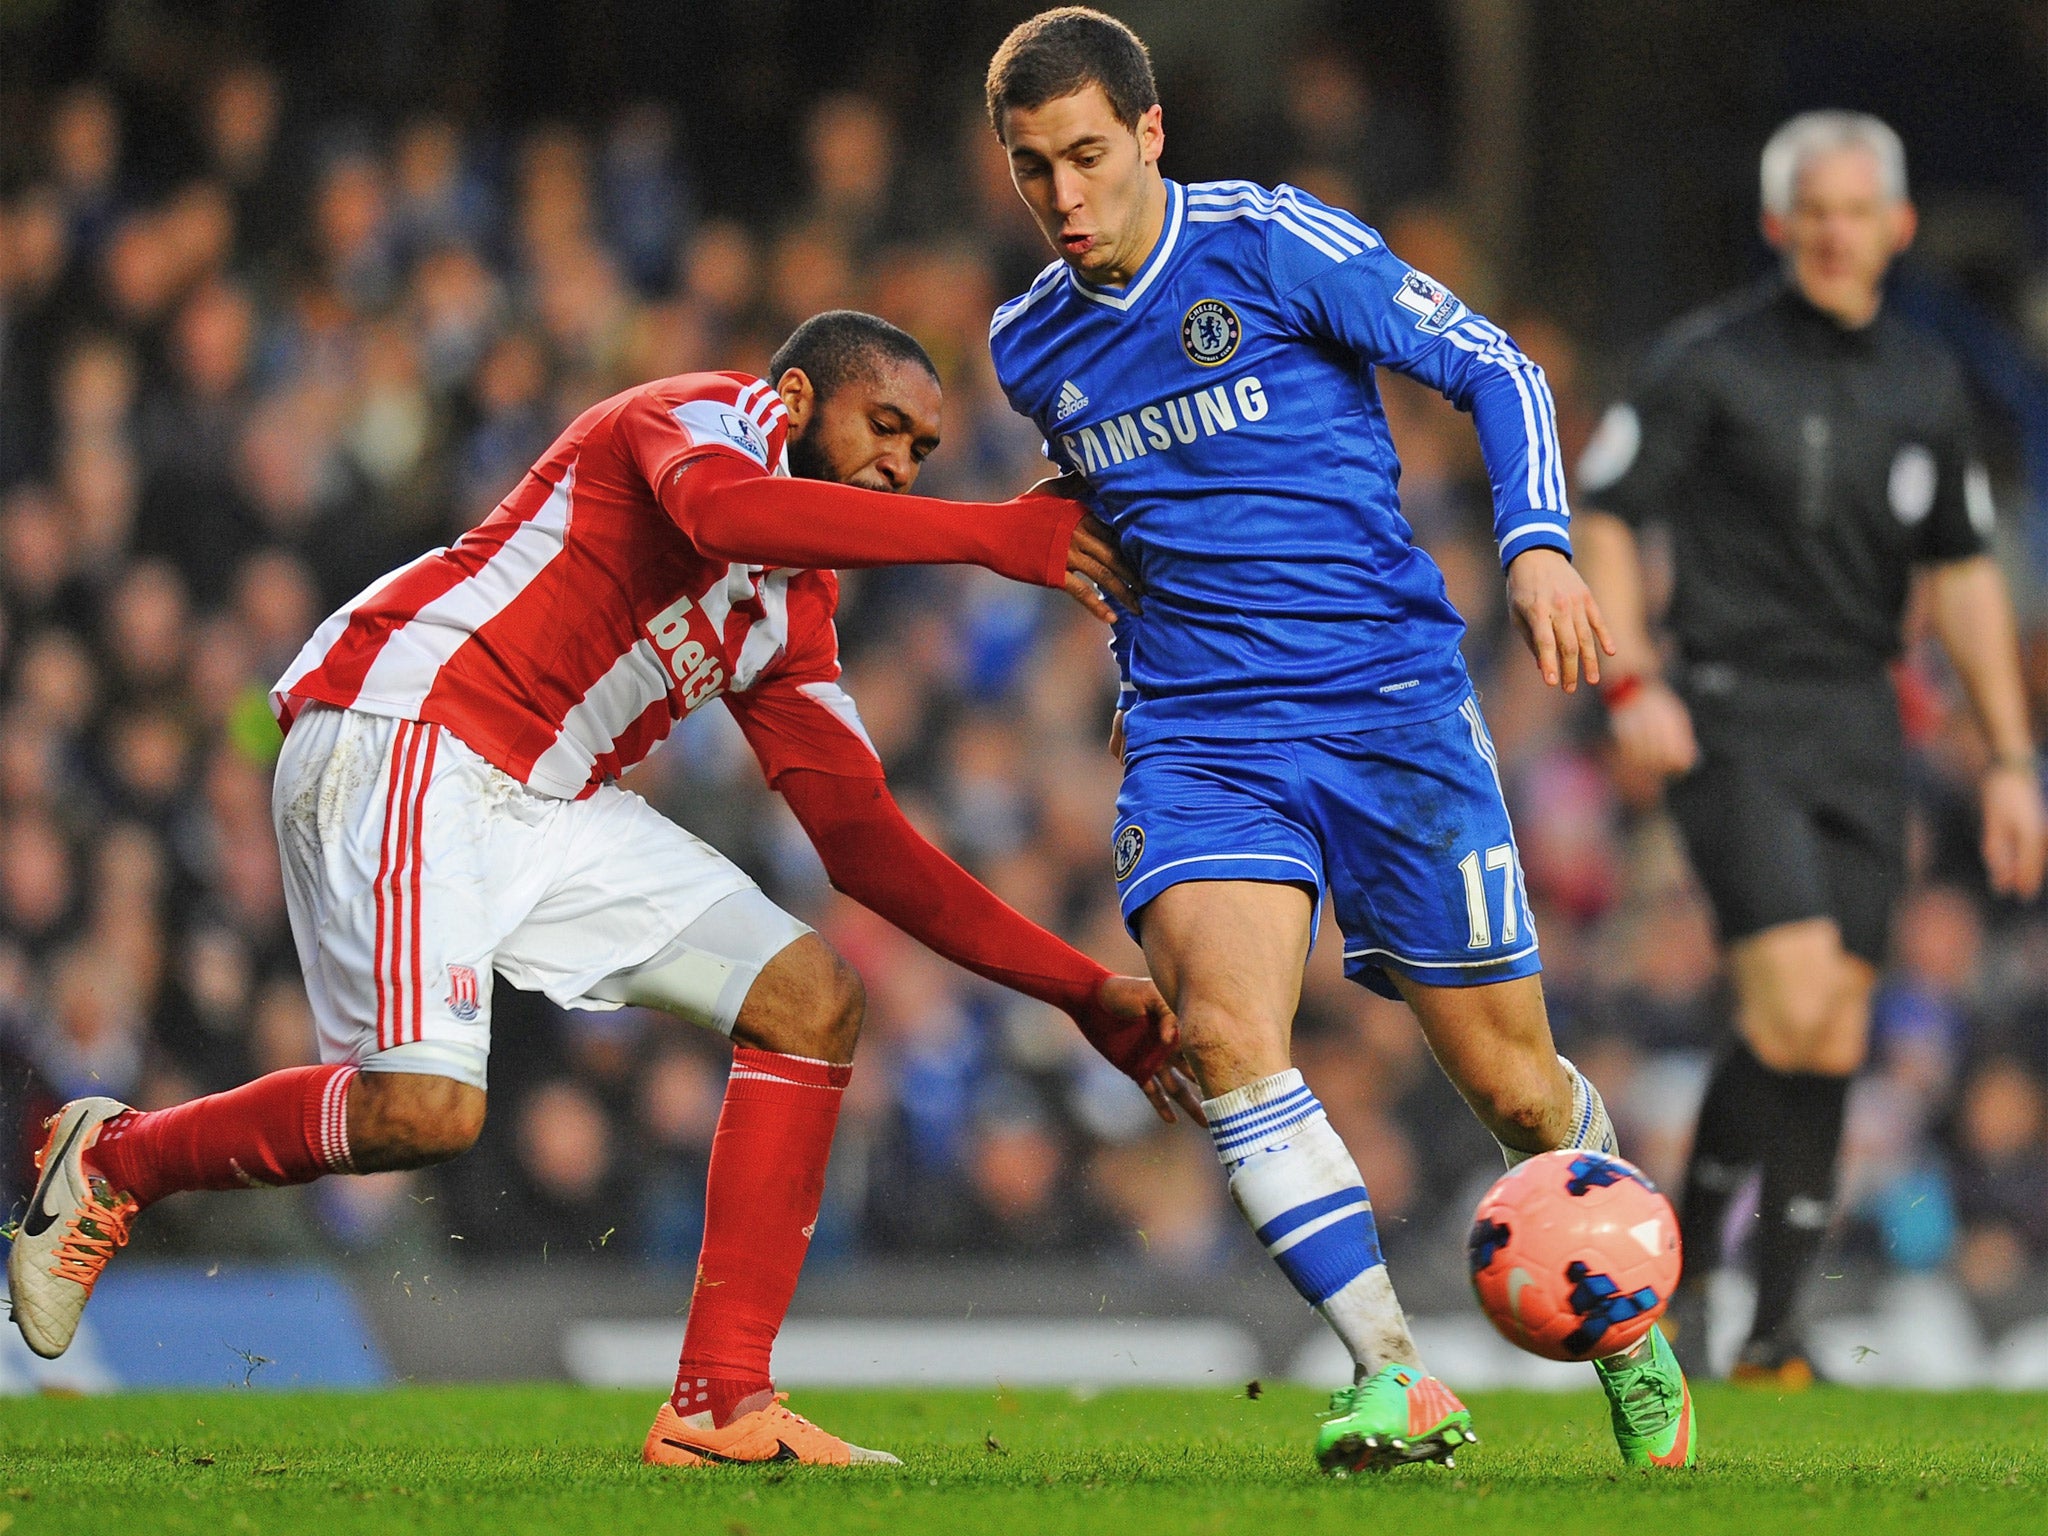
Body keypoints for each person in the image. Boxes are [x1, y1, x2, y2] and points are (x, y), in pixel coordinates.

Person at [10, 309, 1199, 1466]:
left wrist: (1078, 988)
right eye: (884, 428)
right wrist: (991, 533)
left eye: (923, 451)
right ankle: (119, 1160)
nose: (900, 464)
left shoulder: (793, 611)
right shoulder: (699, 417)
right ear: (794, 402)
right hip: (416, 723)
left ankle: (719, 1404)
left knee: (811, 999)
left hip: (546, 797)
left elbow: (861, 843)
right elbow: (722, 511)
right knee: (425, 1114)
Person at [980, 8, 1692, 1473]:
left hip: (1386, 714)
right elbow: (1115, 494)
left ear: (1152, 134)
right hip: (1199, 733)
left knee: (1511, 1086)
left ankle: (1624, 1318)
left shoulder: (1272, 239)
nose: (1064, 198)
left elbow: (1496, 365)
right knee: (1230, 1041)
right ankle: (1395, 1374)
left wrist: (1542, 547)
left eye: (1090, 157)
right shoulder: (1025, 342)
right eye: (1033, 166)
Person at [1573, 111, 2048, 1385]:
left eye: (1858, 212)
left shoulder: (1922, 384)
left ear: (1894, 228)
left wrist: (2008, 758)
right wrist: (1632, 684)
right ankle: (1689, 1296)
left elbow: (1956, 575)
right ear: (1778, 225)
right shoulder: (1703, 365)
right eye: (1813, 211)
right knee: (1790, 997)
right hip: (1727, 708)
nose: (1836, 233)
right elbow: (1606, 514)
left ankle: (1767, 1333)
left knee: (1828, 1027)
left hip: (1856, 719)